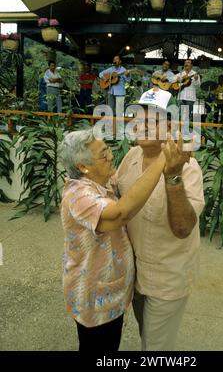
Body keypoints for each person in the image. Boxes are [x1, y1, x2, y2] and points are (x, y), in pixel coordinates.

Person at [60, 127, 184, 351]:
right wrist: (163, 161)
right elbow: (121, 213)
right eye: (103, 154)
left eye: (108, 149)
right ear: (82, 167)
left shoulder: (104, 182)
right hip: (94, 297)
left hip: (109, 295)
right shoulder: (78, 195)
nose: (110, 156)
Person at [117, 88, 205, 351]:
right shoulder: (131, 157)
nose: (142, 126)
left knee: (156, 349)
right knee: (147, 335)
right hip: (134, 275)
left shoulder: (187, 167)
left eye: (153, 121)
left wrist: (173, 176)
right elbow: (115, 194)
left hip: (167, 278)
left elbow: (183, 228)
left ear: (169, 126)